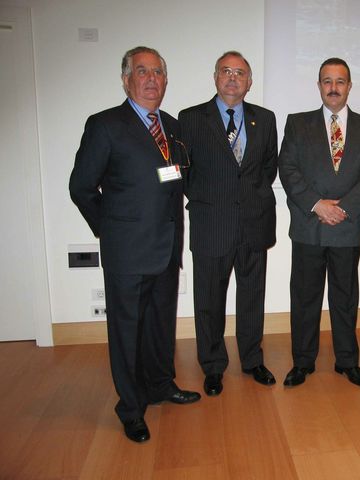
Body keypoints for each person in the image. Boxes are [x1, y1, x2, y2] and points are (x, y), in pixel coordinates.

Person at [69, 46, 200, 443]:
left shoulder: (172, 126)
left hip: (166, 248)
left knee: (160, 326)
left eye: (157, 72)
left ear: (166, 80)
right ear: (126, 80)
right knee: (126, 332)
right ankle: (130, 407)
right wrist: (108, 230)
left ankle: (160, 385)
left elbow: (174, 179)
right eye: (142, 72)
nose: (151, 79)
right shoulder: (106, 125)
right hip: (127, 251)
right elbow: (81, 187)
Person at [278, 57, 360, 388]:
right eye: (327, 81)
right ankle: (302, 362)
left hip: (346, 226)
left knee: (345, 297)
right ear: (319, 85)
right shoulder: (298, 123)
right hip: (309, 224)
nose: (333, 87)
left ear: (349, 86)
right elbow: (288, 169)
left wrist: (345, 208)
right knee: (304, 297)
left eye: (340, 81)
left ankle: (347, 361)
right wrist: (317, 205)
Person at [178, 51, 278, 397]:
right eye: (226, 71)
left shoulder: (265, 119)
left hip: (254, 223)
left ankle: (252, 360)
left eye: (240, 73)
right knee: (209, 300)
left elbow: (268, 168)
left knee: (252, 297)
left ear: (249, 82)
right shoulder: (191, 118)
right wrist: (210, 201)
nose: (233, 78)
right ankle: (213, 365)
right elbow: (184, 172)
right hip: (211, 224)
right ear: (215, 77)